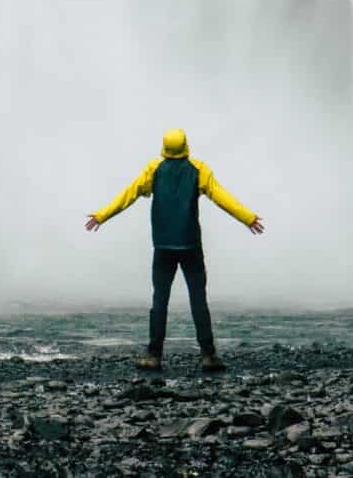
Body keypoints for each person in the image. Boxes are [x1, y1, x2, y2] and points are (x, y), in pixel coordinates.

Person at [85, 127, 264, 372]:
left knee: (160, 301)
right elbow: (222, 197)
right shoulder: (199, 169)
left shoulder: (154, 169)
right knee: (198, 300)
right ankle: (209, 355)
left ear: (165, 147)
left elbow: (129, 194)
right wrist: (248, 218)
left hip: (163, 247)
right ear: (186, 145)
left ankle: (154, 355)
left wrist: (101, 215)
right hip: (191, 245)